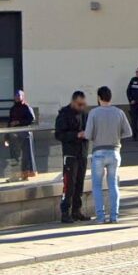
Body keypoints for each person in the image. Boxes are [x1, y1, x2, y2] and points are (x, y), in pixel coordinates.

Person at [86, 86, 132, 224]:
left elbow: (88, 134)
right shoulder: (119, 112)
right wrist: (117, 136)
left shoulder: (93, 113)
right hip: (114, 151)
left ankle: (100, 217)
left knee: (97, 186)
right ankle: (114, 216)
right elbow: (128, 132)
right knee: (113, 184)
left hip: (98, 151)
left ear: (99, 98)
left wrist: (96, 136)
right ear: (110, 98)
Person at [55, 91, 89, 223]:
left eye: (83, 104)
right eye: (79, 104)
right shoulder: (64, 114)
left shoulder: (85, 114)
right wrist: (76, 135)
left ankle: (77, 210)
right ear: (73, 102)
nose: (81, 107)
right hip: (70, 153)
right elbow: (59, 134)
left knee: (79, 183)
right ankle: (65, 212)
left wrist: (88, 134)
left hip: (82, 153)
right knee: (69, 184)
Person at [7, 90, 37, 179]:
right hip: (14, 136)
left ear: (22, 97)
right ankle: (15, 175)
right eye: (16, 96)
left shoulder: (27, 107)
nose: (17, 97)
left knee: (26, 155)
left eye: (19, 96)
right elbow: (9, 122)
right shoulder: (12, 109)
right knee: (15, 155)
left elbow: (32, 119)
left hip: (25, 134)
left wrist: (19, 122)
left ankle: (26, 173)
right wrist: (7, 136)